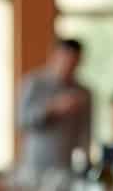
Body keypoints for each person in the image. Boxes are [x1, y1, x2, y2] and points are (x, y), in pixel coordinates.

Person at [16, 38, 92, 179]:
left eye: (74, 62)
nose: (69, 67)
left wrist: (86, 162)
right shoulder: (34, 84)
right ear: (54, 57)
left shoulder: (83, 92)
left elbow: (86, 132)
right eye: (66, 60)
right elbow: (21, 121)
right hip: (35, 165)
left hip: (67, 167)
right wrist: (52, 109)